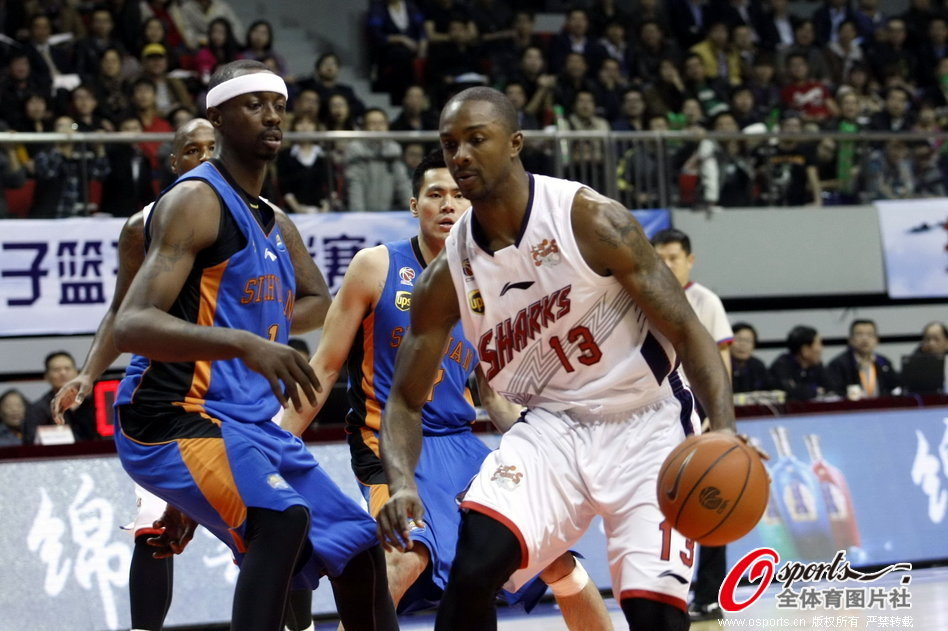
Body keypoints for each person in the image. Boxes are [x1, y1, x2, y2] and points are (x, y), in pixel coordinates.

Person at [376, 86, 736, 631]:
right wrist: (402, 480)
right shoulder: (448, 274)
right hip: (551, 427)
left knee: (653, 615)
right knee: (473, 567)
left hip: (646, 422)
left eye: (477, 139)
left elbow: (688, 331)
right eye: (450, 144)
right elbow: (404, 399)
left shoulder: (589, 220)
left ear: (515, 143)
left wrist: (724, 429)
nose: (461, 155)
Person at [109, 60, 398, 631]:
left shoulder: (272, 219)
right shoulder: (196, 200)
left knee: (359, 544)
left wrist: (261, 332)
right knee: (282, 520)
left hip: (245, 425)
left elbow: (317, 300)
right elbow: (130, 324)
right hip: (170, 416)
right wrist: (245, 343)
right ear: (218, 117)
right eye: (254, 104)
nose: (272, 116)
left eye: (279, 105)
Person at [280, 149, 612, 628]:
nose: (448, 204)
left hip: (460, 444)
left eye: (458, 195)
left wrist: (552, 448)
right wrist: (277, 440)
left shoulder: (494, 283)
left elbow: (494, 397)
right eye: (435, 194)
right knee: (404, 556)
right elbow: (326, 367)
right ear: (415, 205)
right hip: (387, 438)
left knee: (556, 561)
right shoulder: (375, 266)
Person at [52, 118, 217, 631]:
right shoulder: (142, 224)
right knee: (154, 524)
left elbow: (311, 303)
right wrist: (88, 374)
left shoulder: (266, 219)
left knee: (279, 518)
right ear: (174, 162)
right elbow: (120, 311)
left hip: (237, 384)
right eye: (193, 150)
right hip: (164, 391)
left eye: (213, 148)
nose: (205, 158)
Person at [651, 227, 732, 622]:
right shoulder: (639, 295)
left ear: (690, 261)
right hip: (655, 414)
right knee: (659, 507)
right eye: (659, 258)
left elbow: (721, 365)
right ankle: (664, 593)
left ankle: (710, 595)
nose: (666, 265)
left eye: (674, 258)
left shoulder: (705, 301)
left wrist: (720, 418)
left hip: (699, 412)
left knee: (711, 505)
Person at [23, 351, 98, 445]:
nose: (63, 373)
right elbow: (31, 441)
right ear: (47, 377)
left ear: (77, 373)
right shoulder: (38, 409)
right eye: (56, 370)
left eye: (67, 368)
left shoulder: (94, 402)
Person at [827, 319, 900, 398]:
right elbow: (835, 393)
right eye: (859, 334)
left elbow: (895, 388)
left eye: (870, 334)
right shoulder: (838, 365)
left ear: (877, 340)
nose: (865, 339)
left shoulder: (883, 362)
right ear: (850, 340)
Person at [770, 325, 834, 401]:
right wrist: (815, 391)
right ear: (805, 350)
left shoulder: (817, 366)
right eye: (818, 344)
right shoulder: (781, 366)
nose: (821, 349)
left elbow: (831, 390)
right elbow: (789, 393)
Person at [730, 323, 773, 393]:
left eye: (748, 340)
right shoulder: (721, 365)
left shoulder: (758, 366)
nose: (743, 344)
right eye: (738, 339)